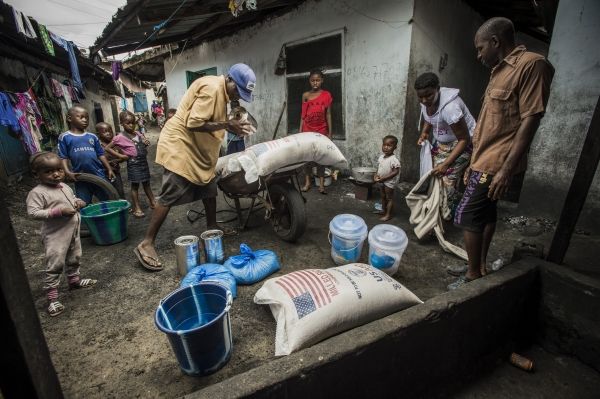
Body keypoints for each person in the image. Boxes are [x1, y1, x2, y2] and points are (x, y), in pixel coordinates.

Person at [449, 17, 554, 290]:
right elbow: (489, 123)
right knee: (485, 213)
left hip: (497, 162)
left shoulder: (532, 65)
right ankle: (479, 266)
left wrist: (506, 170)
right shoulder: (498, 71)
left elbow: (531, 119)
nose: (478, 54)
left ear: (495, 42)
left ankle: (472, 277)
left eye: (480, 47)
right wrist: (473, 161)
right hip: (484, 158)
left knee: (468, 215)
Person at [134, 63, 255, 271]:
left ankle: (212, 226)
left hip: (196, 148)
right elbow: (192, 123)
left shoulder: (221, 91)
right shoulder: (212, 88)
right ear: (229, 78)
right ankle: (146, 243)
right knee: (170, 193)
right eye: (238, 90)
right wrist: (227, 125)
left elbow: (209, 120)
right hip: (180, 146)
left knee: (209, 186)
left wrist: (229, 123)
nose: (238, 96)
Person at [26, 152, 97, 317]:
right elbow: (33, 213)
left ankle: (74, 281)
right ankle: (52, 298)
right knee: (55, 264)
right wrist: (58, 211)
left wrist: (77, 202)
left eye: (59, 169)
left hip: (72, 231)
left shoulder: (64, 186)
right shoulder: (37, 192)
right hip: (55, 235)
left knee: (75, 256)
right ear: (36, 174)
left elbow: (71, 199)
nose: (56, 174)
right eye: (49, 172)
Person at [415, 72, 476, 213]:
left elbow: (464, 139)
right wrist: (425, 132)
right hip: (442, 144)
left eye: (428, 95)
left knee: (447, 181)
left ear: (438, 89)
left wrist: (446, 164)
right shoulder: (426, 101)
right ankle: (436, 211)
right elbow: (429, 117)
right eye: (420, 96)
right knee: (435, 179)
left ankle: (445, 215)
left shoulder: (450, 108)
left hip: (462, 144)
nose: (424, 100)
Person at [58, 106, 114, 204]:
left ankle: (107, 218)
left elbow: (101, 154)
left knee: (107, 200)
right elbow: (63, 157)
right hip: (80, 176)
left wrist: (109, 169)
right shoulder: (65, 137)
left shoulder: (92, 137)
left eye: (87, 118)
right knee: (84, 204)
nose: (85, 120)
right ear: (70, 118)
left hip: (98, 174)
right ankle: (87, 219)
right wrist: (67, 172)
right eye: (81, 117)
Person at [114, 111, 156, 217]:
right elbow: (108, 148)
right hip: (133, 164)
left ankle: (153, 202)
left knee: (147, 183)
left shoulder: (137, 133)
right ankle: (136, 207)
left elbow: (141, 145)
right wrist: (121, 155)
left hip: (143, 162)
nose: (131, 125)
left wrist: (145, 143)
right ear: (121, 123)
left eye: (133, 122)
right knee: (135, 186)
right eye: (128, 123)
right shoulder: (120, 137)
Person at [299, 69, 333, 194]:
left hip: (321, 130)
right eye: (313, 80)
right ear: (309, 81)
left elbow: (328, 114)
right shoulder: (305, 95)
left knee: (320, 158)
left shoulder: (327, 95)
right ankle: (308, 182)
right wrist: (300, 132)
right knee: (307, 158)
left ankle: (321, 185)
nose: (315, 83)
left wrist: (330, 133)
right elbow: (302, 115)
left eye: (318, 80)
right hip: (307, 129)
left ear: (322, 81)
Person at [96, 122, 127, 199]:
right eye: (105, 132)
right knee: (106, 193)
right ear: (98, 134)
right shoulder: (97, 146)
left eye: (110, 131)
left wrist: (117, 161)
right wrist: (108, 163)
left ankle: (123, 207)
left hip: (115, 173)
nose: (108, 133)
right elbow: (95, 160)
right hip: (103, 174)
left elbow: (124, 156)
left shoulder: (116, 144)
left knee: (119, 191)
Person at [374, 135, 400, 221]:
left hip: (389, 182)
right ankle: (383, 210)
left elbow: (396, 171)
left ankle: (388, 215)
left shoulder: (394, 159)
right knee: (382, 196)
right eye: (384, 145)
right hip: (381, 180)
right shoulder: (381, 157)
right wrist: (376, 175)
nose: (386, 147)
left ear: (394, 147)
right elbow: (379, 168)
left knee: (389, 198)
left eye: (389, 146)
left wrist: (384, 178)